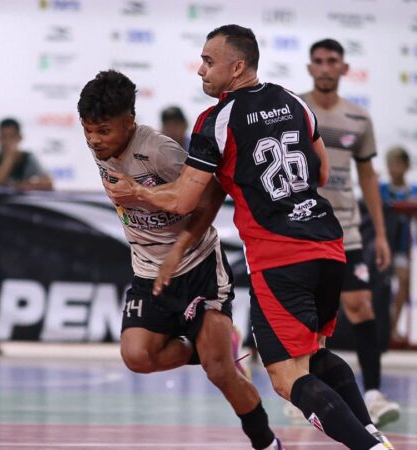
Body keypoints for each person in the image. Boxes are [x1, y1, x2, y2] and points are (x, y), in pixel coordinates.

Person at [104, 25, 393, 450]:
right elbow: (322, 172)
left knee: (285, 377)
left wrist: (138, 192)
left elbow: (183, 200)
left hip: (280, 256)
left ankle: (370, 448)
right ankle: (372, 435)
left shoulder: (217, 120)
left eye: (208, 61)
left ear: (237, 67)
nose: (200, 70)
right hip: (328, 244)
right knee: (314, 356)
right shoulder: (294, 101)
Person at [77, 70, 283, 450]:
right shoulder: (100, 146)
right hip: (148, 271)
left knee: (220, 372)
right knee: (137, 356)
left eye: (103, 131)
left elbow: (211, 195)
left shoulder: (160, 152)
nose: (94, 140)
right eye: (87, 130)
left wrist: (176, 247)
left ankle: (267, 443)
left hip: (197, 267)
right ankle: (200, 346)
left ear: (129, 122)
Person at [300, 38, 399, 428]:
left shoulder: (359, 118)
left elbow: (368, 176)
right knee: (305, 314)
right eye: (318, 61)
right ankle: (302, 390)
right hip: (302, 227)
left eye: (332, 61)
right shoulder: (295, 109)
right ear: (310, 68)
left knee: (361, 305)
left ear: (344, 68)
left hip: (346, 231)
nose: (325, 67)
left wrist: (382, 235)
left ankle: (373, 394)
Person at [379, 147, 417, 343]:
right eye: (390, 163)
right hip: (380, 246)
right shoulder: (379, 188)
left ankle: (391, 328)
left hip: (401, 247)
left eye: (398, 163)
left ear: (407, 166)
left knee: (404, 283)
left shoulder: (416, 192)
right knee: (379, 288)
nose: (393, 168)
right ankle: (381, 329)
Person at [0, 118, 54, 191]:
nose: (7, 141)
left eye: (12, 137)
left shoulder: (27, 158)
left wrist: (24, 185)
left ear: (20, 138)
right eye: (4, 137)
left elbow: (49, 183)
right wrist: (9, 158)